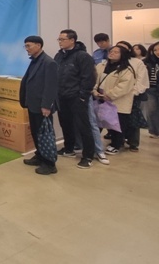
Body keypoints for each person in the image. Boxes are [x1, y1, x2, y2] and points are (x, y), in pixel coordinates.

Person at [54, 29, 96, 168]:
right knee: (65, 123)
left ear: (72, 40)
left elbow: (88, 78)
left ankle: (88, 156)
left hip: (77, 97)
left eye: (62, 39)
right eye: (59, 39)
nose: (60, 42)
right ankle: (69, 148)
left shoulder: (82, 56)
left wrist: (83, 96)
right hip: (62, 96)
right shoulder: (59, 55)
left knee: (83, 126)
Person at [19, 36, 59, 175]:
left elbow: (51, 86)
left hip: (42, 106)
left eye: (29, 46)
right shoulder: (35, 60)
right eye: (25, 46)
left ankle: (49, 163)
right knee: (36, 132)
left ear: (38, 45)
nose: (27, 49)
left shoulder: (49, 62)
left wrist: (46, 106)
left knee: (45, 134)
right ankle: (40, 156)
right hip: (33, 104)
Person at [94, 46, 136, 155]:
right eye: (111, 51)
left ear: (123, 55)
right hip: (100, 98)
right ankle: (95, 143)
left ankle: (116, 144)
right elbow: (95, 79)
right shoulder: (101, 66)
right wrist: (94, 91)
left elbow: (124, 86)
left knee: (117, 124)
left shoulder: (127, 70)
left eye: (116, 52)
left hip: (118, 100)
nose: (112, 53)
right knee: (99, 122)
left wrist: (109, 95)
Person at [143, 42, 159, 138]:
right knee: (151, 110)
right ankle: (155, 131)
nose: (157, 52)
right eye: (155, 50)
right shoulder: (147, 62)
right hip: (150, 89)